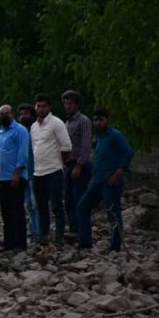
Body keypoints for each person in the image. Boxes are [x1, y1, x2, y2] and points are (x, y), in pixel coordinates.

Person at [77, 108, 134, 252]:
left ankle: (115, 247)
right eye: (95, 120)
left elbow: (128, 151)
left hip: (111, 181)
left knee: (112, 213)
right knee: (82, 207)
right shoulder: (99, 137)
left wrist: (119, 172)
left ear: (107, 120)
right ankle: (85, 242)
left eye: (100, 120)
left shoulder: (115, 135)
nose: (97, 123)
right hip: (98, 180)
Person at [30, 94, 72, 244]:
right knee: (40, 206)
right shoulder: (34, 127)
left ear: (49, 107)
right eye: (38, 106)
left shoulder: (56, 123)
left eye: (43, 106)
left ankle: (59, 235)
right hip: (38, 171)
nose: (40, 109)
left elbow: (66, 146)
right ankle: (44, 235)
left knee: (56, 204)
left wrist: (60, 162)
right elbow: (35, 148)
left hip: (54, 170)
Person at [0, 104, 31, 251]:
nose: (5, 115)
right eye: (2, 113)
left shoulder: (20, 131)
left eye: (7, 113)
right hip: (2, 178)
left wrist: (17, 174)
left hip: (15, 177)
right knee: (6, 212)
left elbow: (23, 154)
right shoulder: (0, 133)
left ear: (12, 114)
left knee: (17, 211)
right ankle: (9, 242)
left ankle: (20, 243)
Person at [61, 90, 93, 236]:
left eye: (70, 104)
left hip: (79, 164)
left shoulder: (83, 121)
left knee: (79, 196)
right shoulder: (67, 122)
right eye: (66, 103)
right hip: (68, 164)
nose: (68, 106)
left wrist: (79, 165)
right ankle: (73, 227)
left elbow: (86, 145)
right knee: (68, 198)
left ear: (77, 105)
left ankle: (81, 229)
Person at [17, 104, 40, 243]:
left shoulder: (36, 130)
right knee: (29, 205)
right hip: (23, 173)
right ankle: (33, 232)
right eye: (21, 114)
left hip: (35, 171)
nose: (23, 116)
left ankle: (39, 233)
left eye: (26, 113)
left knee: (36, 204)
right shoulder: (19, 132)